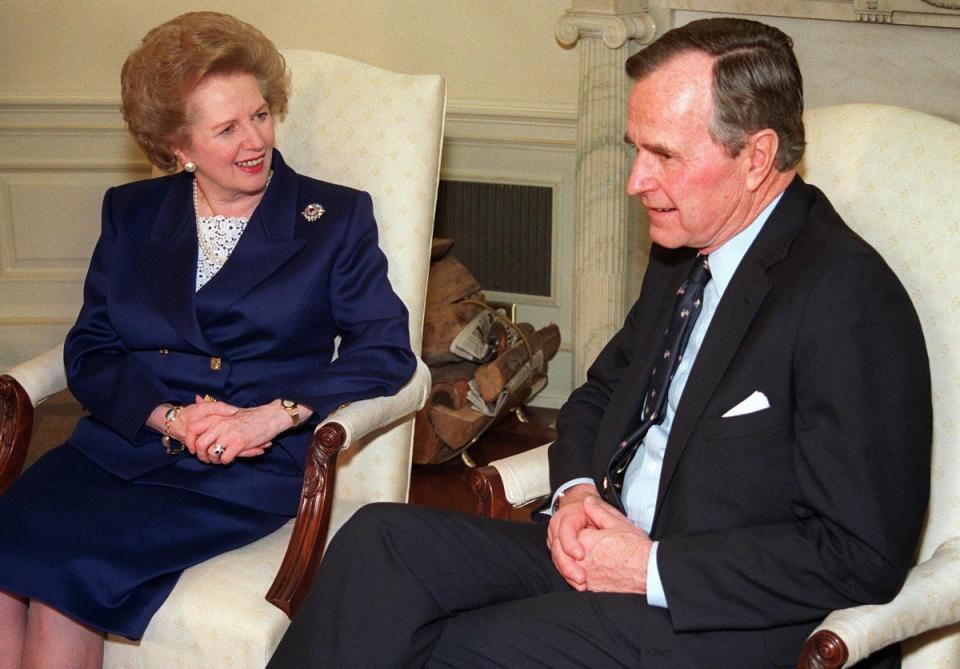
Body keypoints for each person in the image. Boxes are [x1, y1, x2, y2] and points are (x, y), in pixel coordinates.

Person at [268, 17, 931, 669]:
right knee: (379, 543)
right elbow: (599, 393)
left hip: (720, 616)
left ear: (756, 157)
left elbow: (859, 553)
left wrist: (651, 566)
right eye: (635, 149)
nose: (636, 181)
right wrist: (580, 489)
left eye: (664, 155)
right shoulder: (688, 251)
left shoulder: (845, 299)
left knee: (449, 643)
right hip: (607, 545)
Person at [0, 11, 416, 669]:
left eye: (260, 114)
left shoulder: (332, 218)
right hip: (122, 446)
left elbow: (386, 346)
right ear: (177, 145)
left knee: (61, 583)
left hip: (241, 467)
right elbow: (92, 347)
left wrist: (273, 415)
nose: (255, 140)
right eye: (227, 128)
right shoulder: (132, 214)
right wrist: (165, 413)